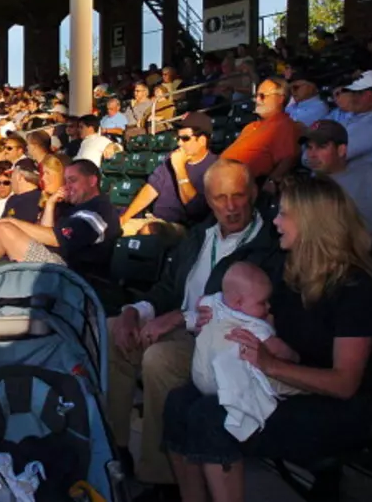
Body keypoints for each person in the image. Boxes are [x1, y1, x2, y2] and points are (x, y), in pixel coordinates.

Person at [163, 175, 372, 502]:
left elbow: (345, 384)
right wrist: (218, 312)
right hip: (285, 387)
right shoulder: (290, 273)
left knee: (211, 417)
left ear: (312, 222)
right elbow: (256, 314)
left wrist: (270, 364)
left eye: (284, 214)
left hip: (338, 408)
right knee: (179, 402)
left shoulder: (355, 289)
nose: (275, 221)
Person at [106, 159, 283, 501]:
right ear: (208, 198)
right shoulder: (200, 236)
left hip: (220, 341)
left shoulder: (267, 247)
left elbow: (243, 314)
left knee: (160, 359)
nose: (230, 207)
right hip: (183, 326)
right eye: (220, 198)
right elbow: (167, 289)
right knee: (114, 329)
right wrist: (134, 310)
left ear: (253, 193)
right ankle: (117, 448)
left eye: (238, 196)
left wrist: (179, 319)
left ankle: (161, 478)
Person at [189, 262, 302, 444]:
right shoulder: (253, 325)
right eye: (262, 302)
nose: (268, 307)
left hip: (200, 376)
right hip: (226, 387)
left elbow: (199, 302)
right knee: (285, 383)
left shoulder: (213, 303)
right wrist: (295, 357)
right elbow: (277, 349)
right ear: (239, 303)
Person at [0, 160, 120, 278]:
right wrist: (50, 205)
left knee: (4, 230)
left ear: (92, 181)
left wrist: (12, 221)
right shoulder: (76, 208)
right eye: (66, 181)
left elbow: (56, 239)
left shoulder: (98, 211)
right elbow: (47, 234)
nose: (68, 186)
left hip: (69, 274)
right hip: (55, 262)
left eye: (73, 180)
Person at [301, 120, 372, 246]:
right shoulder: (303, 186)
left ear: (341, 150)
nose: (312, 155)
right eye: (309, 147)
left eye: (321, 147)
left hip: (370, 258)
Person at [119, 112, 218, 235]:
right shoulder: (171, 157)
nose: (179, 143)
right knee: (112, 229)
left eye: (185, 138)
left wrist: (179, 168)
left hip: (184, 228)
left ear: (202, 140)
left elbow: (196, 210)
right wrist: (125, 217)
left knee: (150, 231)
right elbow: (152, 188)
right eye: (178, 138)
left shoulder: (215, 167)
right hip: (153, 219)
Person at [221, 77, 301, 190]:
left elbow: (288, 158)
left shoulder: (283, 124)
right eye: (256, 96)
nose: (257, 100)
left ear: (280, 99)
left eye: (262, 96)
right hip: (221, 178)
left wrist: (272, 180)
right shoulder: (251, 126)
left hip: (239, 186)